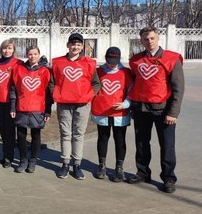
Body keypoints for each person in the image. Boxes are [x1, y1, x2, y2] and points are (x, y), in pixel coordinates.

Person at [127, 27, 184, 194]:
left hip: (163, 110)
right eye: (145, 39)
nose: (149, 42)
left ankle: (168, 177)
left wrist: (173, 113)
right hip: (141, 109)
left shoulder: (171, 59)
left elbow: (178, 88)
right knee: (142, 143)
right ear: (141, 41)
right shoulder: (136, 60)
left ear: (158, 38)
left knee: (167, 145)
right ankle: (143, 172)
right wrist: (132, 106)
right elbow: (134, 83)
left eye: (152, 38)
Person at [50, 33, 101, 180]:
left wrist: (89, 95)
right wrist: (55, 94)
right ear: (68, 45)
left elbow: (96, 83)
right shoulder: (57, 62)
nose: (75, 47)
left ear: (82, 47)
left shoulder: (89, 63)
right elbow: (52, 82)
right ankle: (65, 163)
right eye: (73, 44)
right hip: (64, 103)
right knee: (66, 134)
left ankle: (77, 165)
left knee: (78, 134)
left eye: (79, 44)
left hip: (82, 104)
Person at [91, 47, 133, 182]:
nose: (111, 63)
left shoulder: (126, 73)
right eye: (109, 60)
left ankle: (119, 168)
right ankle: (101, 165)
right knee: (103, 138)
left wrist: (125, 104)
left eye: (114, 61)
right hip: (102, 111)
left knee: (120, 140)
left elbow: (131, 92)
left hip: (120, 112)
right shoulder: (98, 72)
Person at [10, 45, 52, 173]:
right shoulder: (18, 69)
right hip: (21, 107)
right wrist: (13, 107)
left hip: (37, 109)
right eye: (30, 54)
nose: (32, 56)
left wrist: (48, 111)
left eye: (35, 54)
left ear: (39, 55)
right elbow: (13, 90)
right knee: (21, 135)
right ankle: (23, 160)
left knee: (35, 135)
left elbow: (48, 92)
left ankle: (33, 161)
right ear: (26, 55)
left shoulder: (45, 71)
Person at [0, 39, 21, 168]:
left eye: (9, 48)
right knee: (3, 130)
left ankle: (9, 157)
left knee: (10, 130)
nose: (7, 51)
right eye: (4, 48)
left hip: (12, 102)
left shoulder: (18, 63)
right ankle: (5, 155)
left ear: (13, 50)